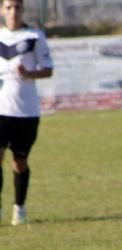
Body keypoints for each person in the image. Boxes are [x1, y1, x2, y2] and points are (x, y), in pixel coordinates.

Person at [0, 0, 53, 226]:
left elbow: (48, 70)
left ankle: (19, 207)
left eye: (17, 7)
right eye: (9, 7)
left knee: (19, 161)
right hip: (1, 109)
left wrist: (29, 73)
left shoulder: (34, 36)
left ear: (23, 9)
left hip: (26, 111)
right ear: (2, 10)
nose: (13, 12)